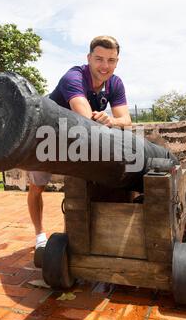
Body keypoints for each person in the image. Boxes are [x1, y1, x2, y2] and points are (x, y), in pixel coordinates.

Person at [28, 35, 132, 261]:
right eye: (99, 59)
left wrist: (111, 120)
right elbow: (84, 115)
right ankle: (39, 236)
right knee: (37, 187)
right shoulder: (73, 77)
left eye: (111, 60)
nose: (105, 66)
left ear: (116, 61)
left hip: (79, 137)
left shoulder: (115, 83)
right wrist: (103, 121)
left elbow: (126, 120)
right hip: (47, 137)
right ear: (89, 59)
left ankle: (87, 234)